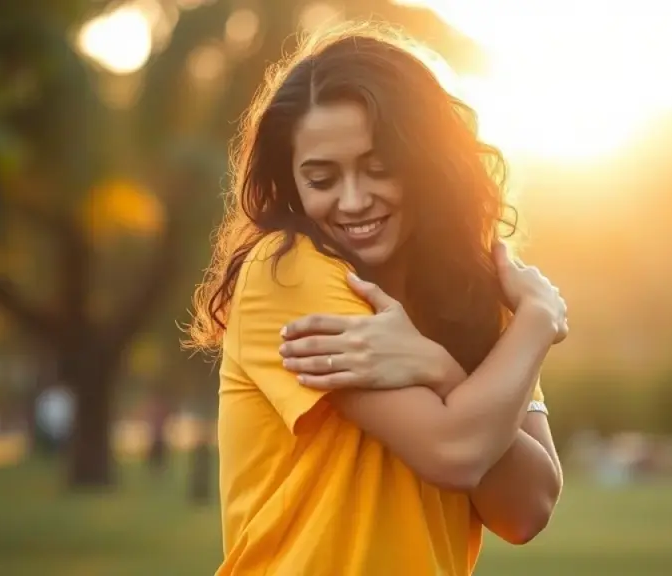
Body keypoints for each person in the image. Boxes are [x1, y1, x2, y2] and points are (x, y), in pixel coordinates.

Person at [187, 21, 567, 576]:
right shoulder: (286, 272)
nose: (353, 200)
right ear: (292, 183)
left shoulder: (476, 296)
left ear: (428, 162)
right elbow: (456, 452)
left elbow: (527, 511)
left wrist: (438, 367)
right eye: (322, 180)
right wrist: (539, 319)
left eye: (379, 169)